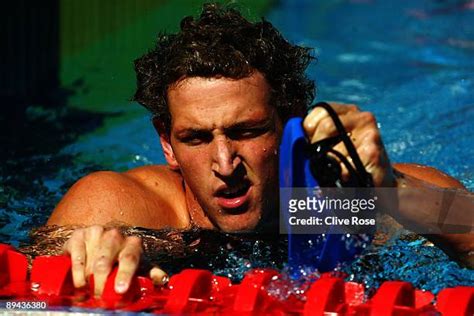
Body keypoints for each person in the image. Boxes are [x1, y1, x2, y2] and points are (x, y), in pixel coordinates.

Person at [46, 4, 471, 296]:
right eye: (195, 138)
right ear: (166, 143)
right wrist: (83, 262)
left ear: (292, 129)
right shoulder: (127, 207)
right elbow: (27, 297)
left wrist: (393, 189)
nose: (225, 163)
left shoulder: (341, 204)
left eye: (246, 132)